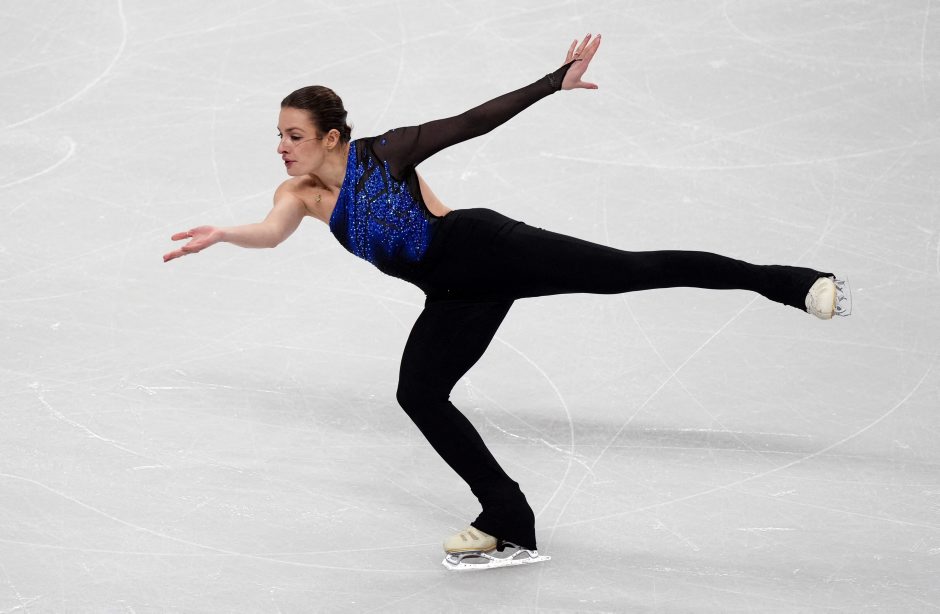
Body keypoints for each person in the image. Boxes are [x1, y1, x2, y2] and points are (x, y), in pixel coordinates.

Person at [164, 34, 850, 570]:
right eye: (280, 135)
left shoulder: (384, 154)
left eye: (293, 136)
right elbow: (271, 233)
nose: (281, 148)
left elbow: (471, 122)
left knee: (629, 271)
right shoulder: (298, 196)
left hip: (487, 248)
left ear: (331, 138)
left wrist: (553, 82)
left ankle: (790, 282)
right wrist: (223, 234)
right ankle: (507, 518)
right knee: (418, 393)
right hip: (453, 294)